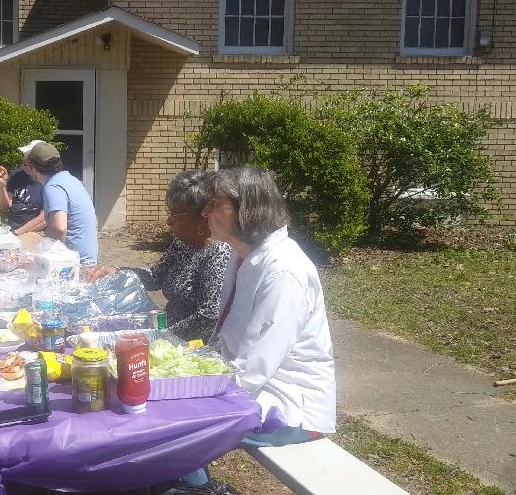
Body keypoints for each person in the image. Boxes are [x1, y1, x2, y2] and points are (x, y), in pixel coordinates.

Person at [164, 167, 335, 495]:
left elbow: (252, 371)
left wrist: (193, 391)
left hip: (287, 408)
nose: (205, 212)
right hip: (250, 388)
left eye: (214, 204)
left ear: (246, 209)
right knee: (164, 406)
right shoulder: (244, 255)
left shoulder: (284, 272)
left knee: (173, 424)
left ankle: (197, 489)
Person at [86, 171, 231, 342]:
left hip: (193, 347)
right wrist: (117, 271)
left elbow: (209, 317)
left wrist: (158, 338)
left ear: (202, 218)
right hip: (168, 335)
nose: (168, 221)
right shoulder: (182, 243)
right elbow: (155, 277)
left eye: (175, 215)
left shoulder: (219, 253)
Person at [25, 142, 98, 264]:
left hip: (76, 265)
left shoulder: (53, 187)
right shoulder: (70, 179)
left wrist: (49, 259)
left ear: (33, 168)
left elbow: (59, 228)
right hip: (87, 259)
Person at [0, 140, 46, 235]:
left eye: (28, 160)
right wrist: (2, 185)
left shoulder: (46, 181)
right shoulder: (16, 175)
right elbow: (4, 207)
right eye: (24, 161)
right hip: (11, 229)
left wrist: (16, 234)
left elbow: (43, 220)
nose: (24, 161)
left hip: (35, 232)